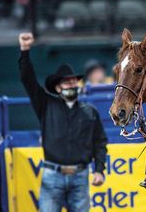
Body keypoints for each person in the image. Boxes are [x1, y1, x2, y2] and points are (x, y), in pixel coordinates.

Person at [18, 32, 108, 212]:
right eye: (67, 83)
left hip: (80, 175)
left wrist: (99, 170)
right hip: (53, 175)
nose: (72, 85)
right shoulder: (45, 104)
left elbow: (100, 143)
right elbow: (28, 80)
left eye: (74, 82)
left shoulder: (90, 112)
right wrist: (25, 51)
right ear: (57, 87)